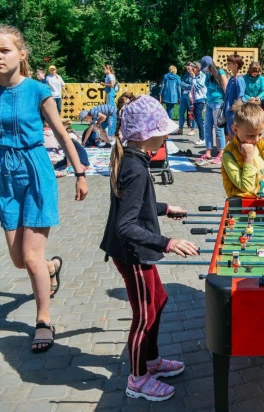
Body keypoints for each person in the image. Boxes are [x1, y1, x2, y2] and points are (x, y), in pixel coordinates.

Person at [100, 94, 199, 401]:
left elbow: (140, 205)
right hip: (132, 254)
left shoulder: (133, 160)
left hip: (135, 252)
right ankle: (137, 379)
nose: (166, 136)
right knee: (144, 315)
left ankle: (152, 361)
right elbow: (126, 225)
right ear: (146, 136)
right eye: (162, 131)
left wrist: (166, 207)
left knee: (160, 300)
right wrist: (167, 242)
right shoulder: (136, 168)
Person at [0, 25, 88, 352]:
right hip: (4, 178)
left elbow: (64, 134)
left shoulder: (38, 91)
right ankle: (52, 268)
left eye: (4, 50)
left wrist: (79, 171)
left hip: (35, 172)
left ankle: (43, 319)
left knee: (30, 254)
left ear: (21, 54)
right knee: (19, 260)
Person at [221, 101, 264, 197]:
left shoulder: (262, 147)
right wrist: (248, 157)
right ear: (235, 130)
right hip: (245, 208)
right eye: (251, 135)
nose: (256, 140)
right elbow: (247, 188)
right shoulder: (229, 156)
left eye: (260, 134)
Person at [196, 56, 228, 166]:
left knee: (218, 129)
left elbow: (226, 89)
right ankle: (208, 152)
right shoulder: (207, 75)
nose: (207, 71)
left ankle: (221, 153)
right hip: (209, 103)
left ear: (211, 66)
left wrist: (226, 105)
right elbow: (207, 88)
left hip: (219, 103)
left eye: (207, 68)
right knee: (207, 128)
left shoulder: (220, 73)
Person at [224, 54, 246, 143]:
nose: (227, 64)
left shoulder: (239, 79)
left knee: (235, 135)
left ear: (235, 65)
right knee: (230, 135)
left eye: (229, 63)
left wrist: (232, 108)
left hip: (233, 113)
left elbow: (240, 96)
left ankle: (237, 155)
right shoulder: (232, 78)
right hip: (228, 112)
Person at [175, 62, 197, 136]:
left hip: (191, 96)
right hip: (184, 95)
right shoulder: (186, 75)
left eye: (189, 67)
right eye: (187, 67)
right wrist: (188, 86)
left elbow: (194, 86)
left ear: (193, 67)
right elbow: (181, 84)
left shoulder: (195, 75)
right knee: (181, 112)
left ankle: (193, 129)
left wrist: (186, 86)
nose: (187, 68)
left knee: (192, 113)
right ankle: (180, 129)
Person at [189, 61, 207, 146]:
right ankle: (202, 136)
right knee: (197, 118)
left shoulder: (202, 75)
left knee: (199, 119)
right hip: (196, 100)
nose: (192, 70)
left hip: (200, 99)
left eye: (193, 68)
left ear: (197, 68)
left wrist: (193, 78)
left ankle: (202, 138)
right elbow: (193, 87)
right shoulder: (196, 76)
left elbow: (198, 86)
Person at [101, 64, 118, 135]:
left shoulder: (110, 76)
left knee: (111, 109)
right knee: (108, 109)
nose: (104, 71)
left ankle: (111, 132)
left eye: (104, 69)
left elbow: (112, 85)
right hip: (108, 93)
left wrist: (104, 84)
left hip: (110, 92)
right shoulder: (108, 76)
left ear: (108, 69)